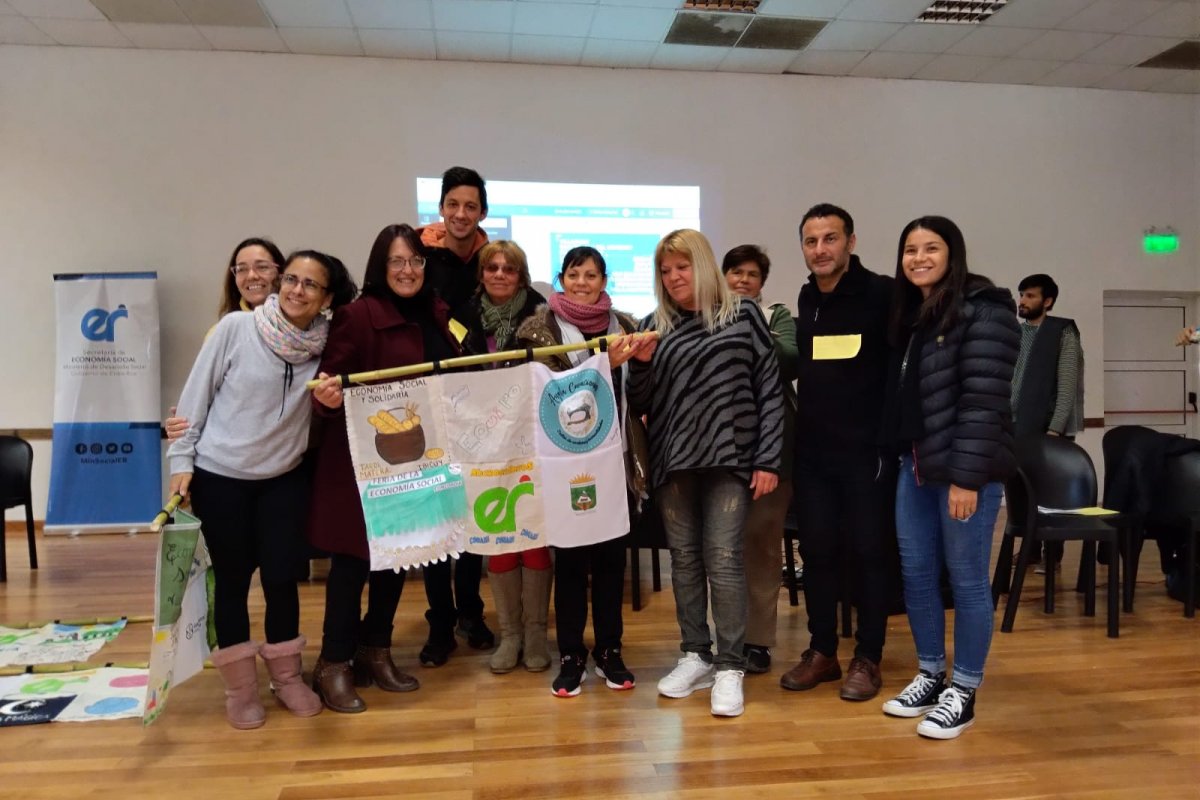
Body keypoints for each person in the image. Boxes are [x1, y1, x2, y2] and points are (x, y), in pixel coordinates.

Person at [167, 249, 357, 729]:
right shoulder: (236, 328)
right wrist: (180, 461)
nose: (296, 290)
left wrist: (333, 401)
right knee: (232, 584)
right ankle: (240, 689)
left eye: (310, 284)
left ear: (327, 298)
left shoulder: (324, 348)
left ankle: (287, 679)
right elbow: (193, 400)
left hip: (283, 481)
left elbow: (329, 410)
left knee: (281, 580)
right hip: (220, 477)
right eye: (291, 279)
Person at [624, 228, 784, 718]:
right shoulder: (654, 326)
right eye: (665, 270)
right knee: (685, 561)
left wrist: (768, 458)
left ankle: (731, 665)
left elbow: (769, 388)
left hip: (731, 459)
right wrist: (641, 366)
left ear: (704, 265)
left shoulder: (744, 314)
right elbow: (641, 402)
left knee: (725, 558)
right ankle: (695, 654)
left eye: (682, 266)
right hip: (674, 461)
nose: (674, 277)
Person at [307, 224, 457, 712]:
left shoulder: (436, 312)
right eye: (397, 261)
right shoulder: (356, 315)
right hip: (362, 466)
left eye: (415, 260)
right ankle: (333, 663)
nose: (408, 270)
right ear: (379, 266)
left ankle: (376, 651)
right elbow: (328, 383)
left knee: (398, 556)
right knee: (352, 567)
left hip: (415, 461)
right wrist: (327, 398)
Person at [880, 215, 1018, 740]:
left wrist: (967, 478)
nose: (918, 258)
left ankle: (964, 690)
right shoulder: (916, 315)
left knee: (966, 579)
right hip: (915, 466)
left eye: (931, 248)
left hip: (963, 473)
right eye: (910, 250)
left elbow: (984, 404)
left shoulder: (985, 311)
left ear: (952, 253)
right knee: (916, 575)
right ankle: (931, 673)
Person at [780, 204, 896, 703]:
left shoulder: (883, 294)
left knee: (869, 553)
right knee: (818, 553)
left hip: (866, 455)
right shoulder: (807, 297)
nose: (820, 249)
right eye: (811, 241)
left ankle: (868, 657)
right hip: (814, 456)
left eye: (830, 238)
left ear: (851, 241)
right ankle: (823, 651)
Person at [516, 245, 641, 696]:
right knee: (569, 561)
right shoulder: (538, 329)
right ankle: (570, 654)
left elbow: (641, 389)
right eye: (574, 274)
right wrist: (605, 363)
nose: (582, 283)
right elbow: (545, 390)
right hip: (563, 464)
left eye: (591, 275)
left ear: (604, 281)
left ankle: (609, 649)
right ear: (561, 279)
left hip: (615, 459)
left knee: (610, 562)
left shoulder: (626, 326)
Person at [438, 240, 550, 672]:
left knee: (533, 536)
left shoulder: (543, 316)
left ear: (521, 276)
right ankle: (511, 634)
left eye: (509, 268)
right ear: (481, 274)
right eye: (492, 268)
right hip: (480, 446)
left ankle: (536, 633)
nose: (500, 274)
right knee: (497, 533)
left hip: (532, 442)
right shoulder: (459, 319)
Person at [720, 244, 798, 674]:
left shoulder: (776, 316)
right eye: (736, 272)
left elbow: (789, 359)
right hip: (720, 449)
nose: (743, 280)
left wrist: (743, 337)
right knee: (720, 548)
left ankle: (758, 640)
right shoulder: (706, 316)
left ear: (762, 282)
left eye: (752, 274)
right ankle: (725, 636)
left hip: (772, 451)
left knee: (763, 546)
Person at [1011, 274, 1084, 574]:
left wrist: (1054, 431)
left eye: (1030, 296)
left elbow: (1067, 387)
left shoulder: (1062, 332)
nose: (1022, 301)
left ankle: (1052, 554)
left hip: (1051, 429)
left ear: (1048, 301)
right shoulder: (1016, 333)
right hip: (1018, 426)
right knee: (1022, 491)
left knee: (1051, 495)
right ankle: (1029, 550)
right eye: (1021, 295)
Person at [420, 166, 489, 321]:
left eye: (470, 207)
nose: (460, 214)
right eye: (453, 204)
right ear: (441, 209)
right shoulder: (418, 259)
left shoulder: (492, 263)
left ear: (483, 213)